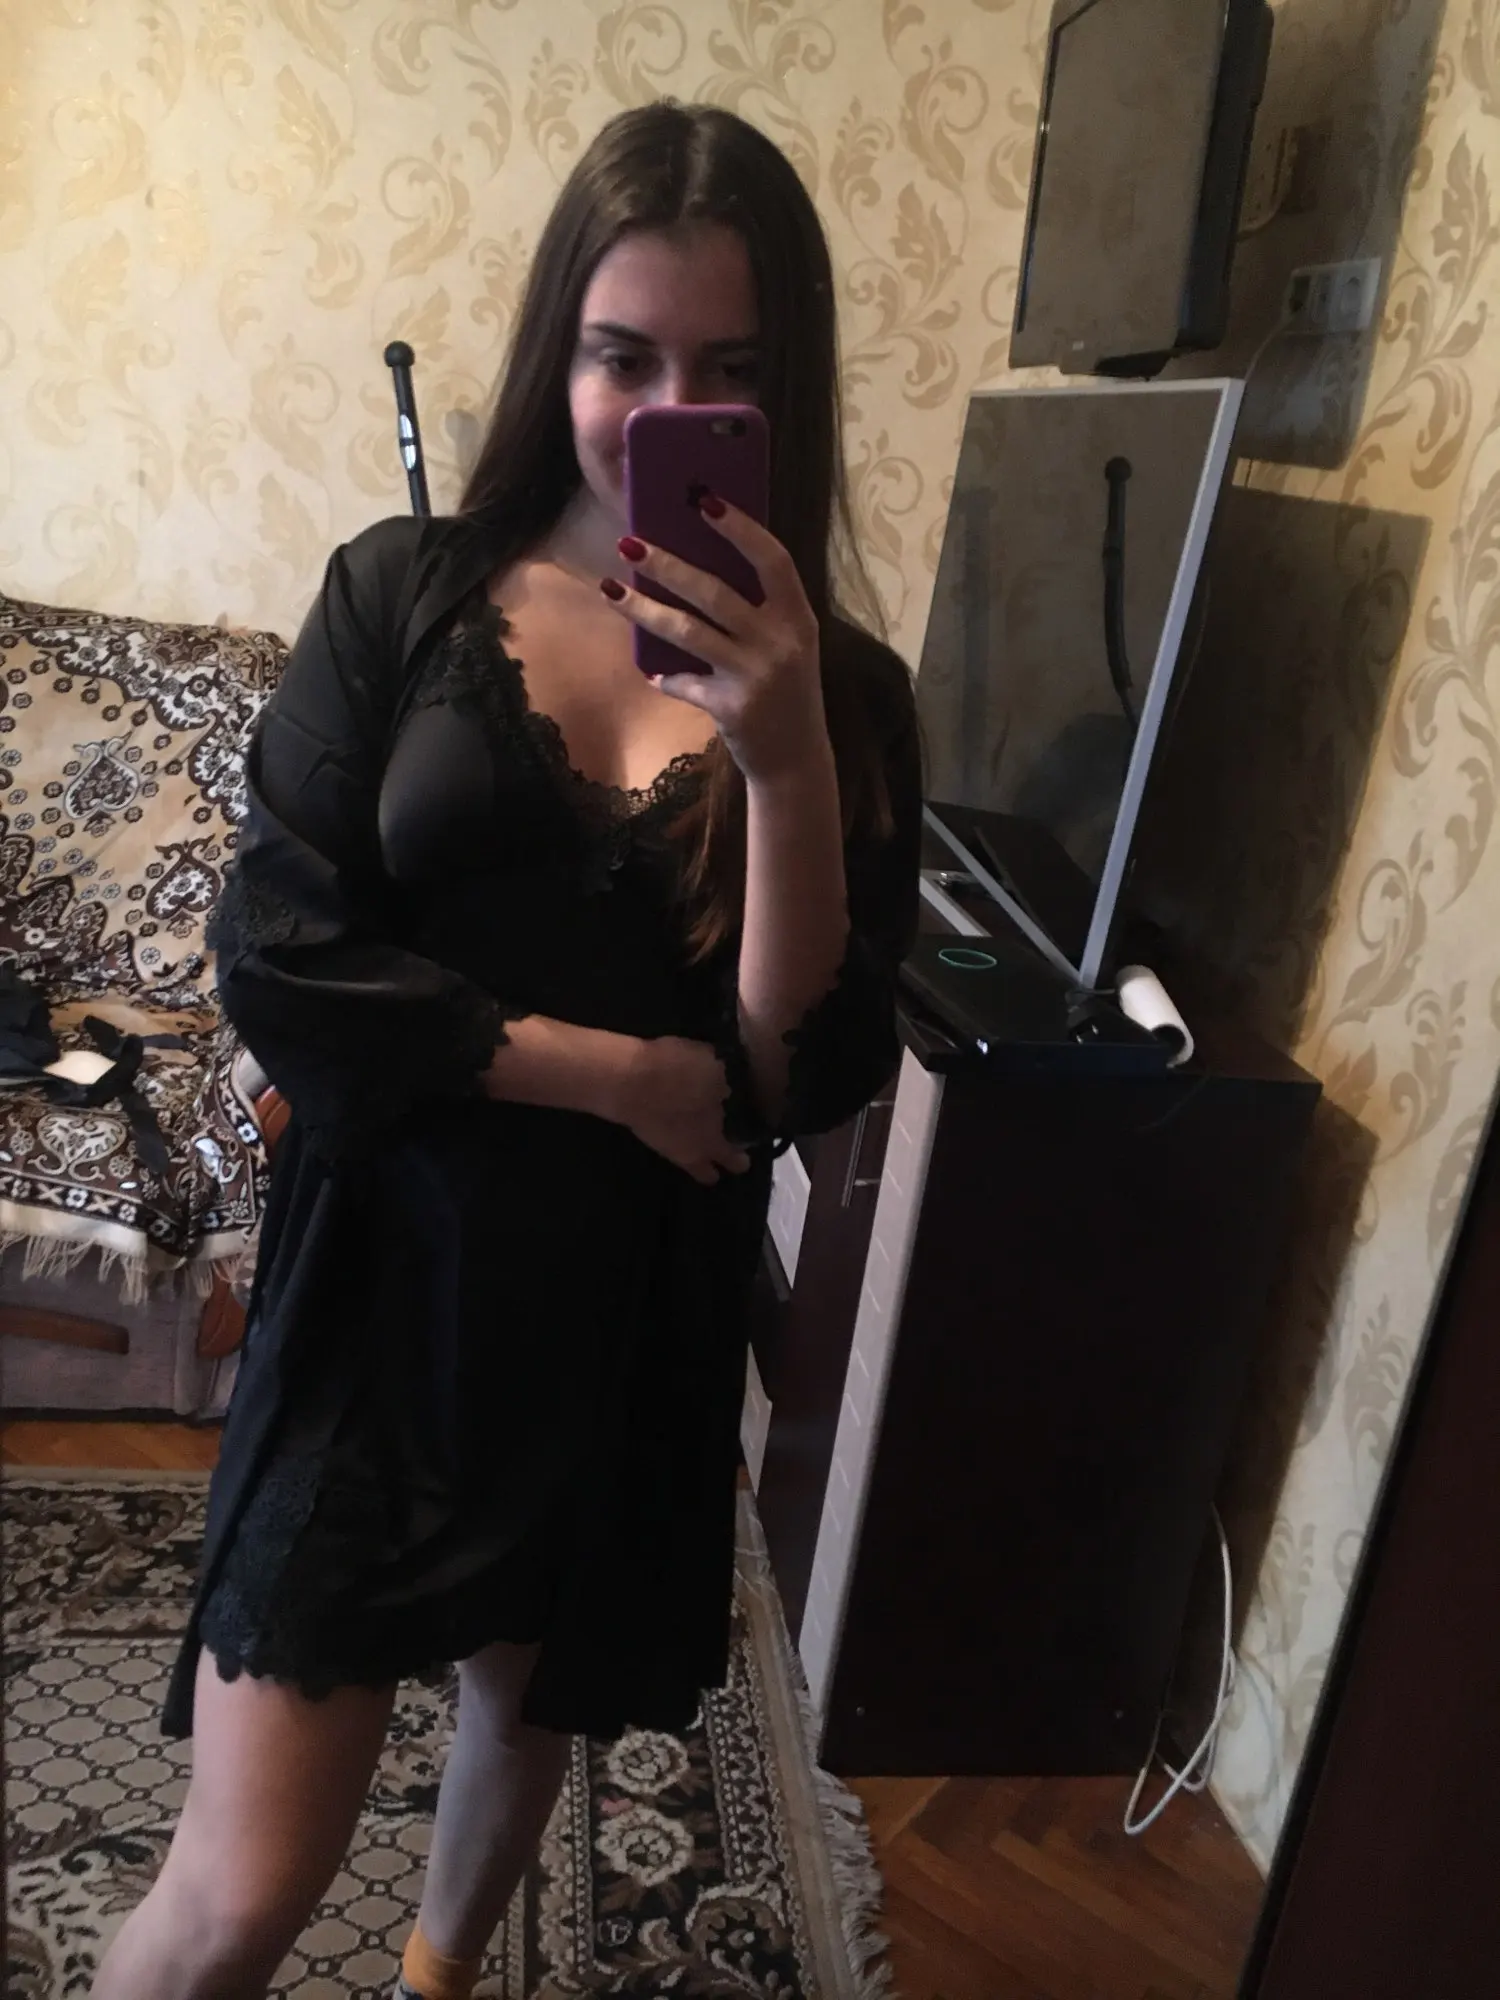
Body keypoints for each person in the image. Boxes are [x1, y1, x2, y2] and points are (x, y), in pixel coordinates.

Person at [92, 98, 923, 2000]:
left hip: (624, 1319)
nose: (663, 410)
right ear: (559, 347)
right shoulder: (402, 593)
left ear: (791, 392)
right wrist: (611, 1072)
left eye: (730, 372)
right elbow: (277, 955)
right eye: (623, 355)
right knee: (235, 1893)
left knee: (519, 1714)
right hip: (384, 1296)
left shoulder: (846, 697)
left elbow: (796, 1078)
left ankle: (439, 1975)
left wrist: (788, 757)